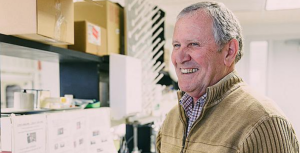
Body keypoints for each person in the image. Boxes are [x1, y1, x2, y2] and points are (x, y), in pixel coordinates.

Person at [156, 1, 299, 153]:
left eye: (193, 44)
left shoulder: (264, 122)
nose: (180, 57)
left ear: (229, 51)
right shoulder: (171, 119)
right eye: (177, 45)